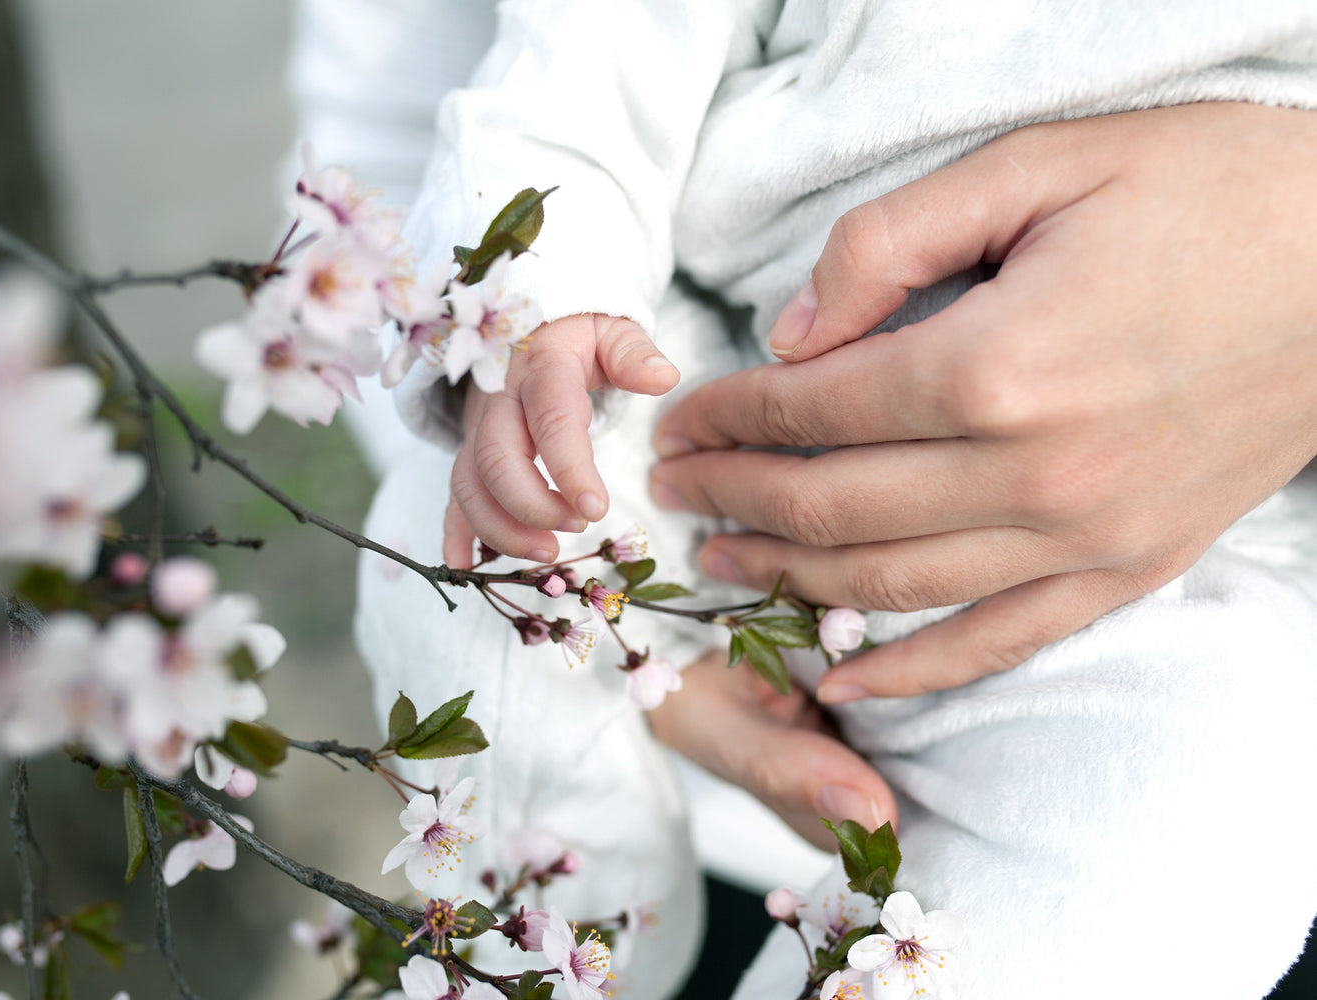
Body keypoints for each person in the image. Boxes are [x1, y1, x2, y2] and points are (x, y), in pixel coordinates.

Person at [294, 1, 1317, 996]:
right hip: (707, 412)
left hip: (1141, 588)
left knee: (1210, 816)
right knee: (461, 537)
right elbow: (568, 68)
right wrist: (539, 309)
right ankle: (556, 946)